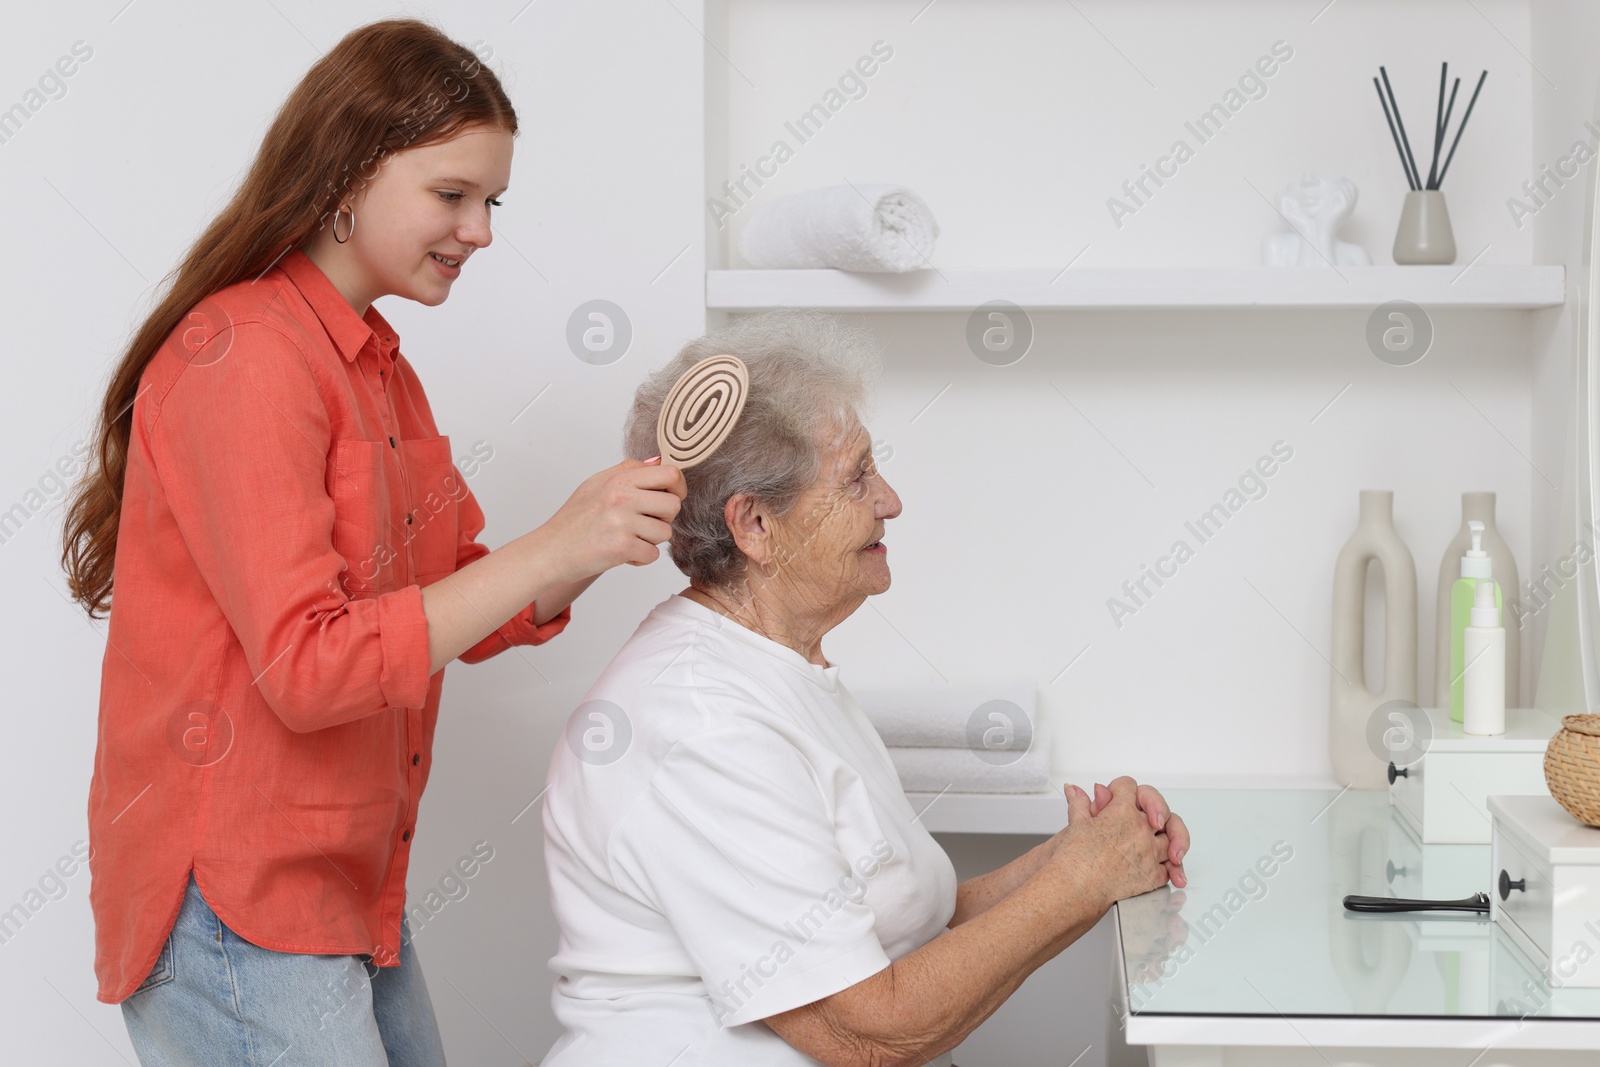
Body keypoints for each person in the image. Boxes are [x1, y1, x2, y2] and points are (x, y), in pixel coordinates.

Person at [59, 18, 684, 1066]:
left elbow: (452, 601)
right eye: (452, 195)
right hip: (236, 897)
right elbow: (310, 667)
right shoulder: (248, 357)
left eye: (491, 201)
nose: (480, 230)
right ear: (346, 175)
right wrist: (549, 544)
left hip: (340, 886)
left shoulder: (380, 370)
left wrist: (586, 538)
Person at [539, 309, 1190, 1066]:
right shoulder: (698, 721)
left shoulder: (781, 667)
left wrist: (1082, 858)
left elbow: (901, 934)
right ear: (755, 525)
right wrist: (1082, 880)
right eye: (857, 477)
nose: (891, 499)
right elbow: (864, 1029)